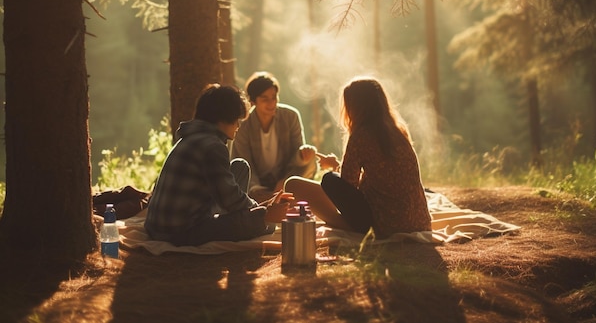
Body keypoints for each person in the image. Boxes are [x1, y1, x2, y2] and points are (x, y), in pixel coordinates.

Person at [285, 77, 432, 239]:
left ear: (355, 107)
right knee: (329, 180)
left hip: (385, 226)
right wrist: (336, 166)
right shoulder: (398, 131)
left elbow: (347, 185)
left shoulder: (361, 135)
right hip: (420, 221)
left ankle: (344, 225)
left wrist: (334, 170)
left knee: (318, 181)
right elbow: (380, 174)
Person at [144, 84, 290, 246]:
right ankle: (261, 216)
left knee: (239, 167)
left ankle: (256, 214)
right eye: (236, 120)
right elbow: (230, 199)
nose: (238, 126)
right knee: (266, 224)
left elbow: (225, 191)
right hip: (181, 231)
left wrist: (259, 208)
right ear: (223, 119)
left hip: (156, 225)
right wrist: (264, 212)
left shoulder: (191, 138)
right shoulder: (212, 146)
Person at [232, 71, 318, 203]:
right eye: (265, 99)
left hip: (285, 179)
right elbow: (242, 160)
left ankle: (286, 195)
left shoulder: (291, 116)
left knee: (310, 159)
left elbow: (296, 156)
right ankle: (270, 200)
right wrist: (256, 188)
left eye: (274, 97)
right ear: (253, 101)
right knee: (241, 175)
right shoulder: (243, 125)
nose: (271, 103)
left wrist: (303, 155)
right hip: (256, 184)